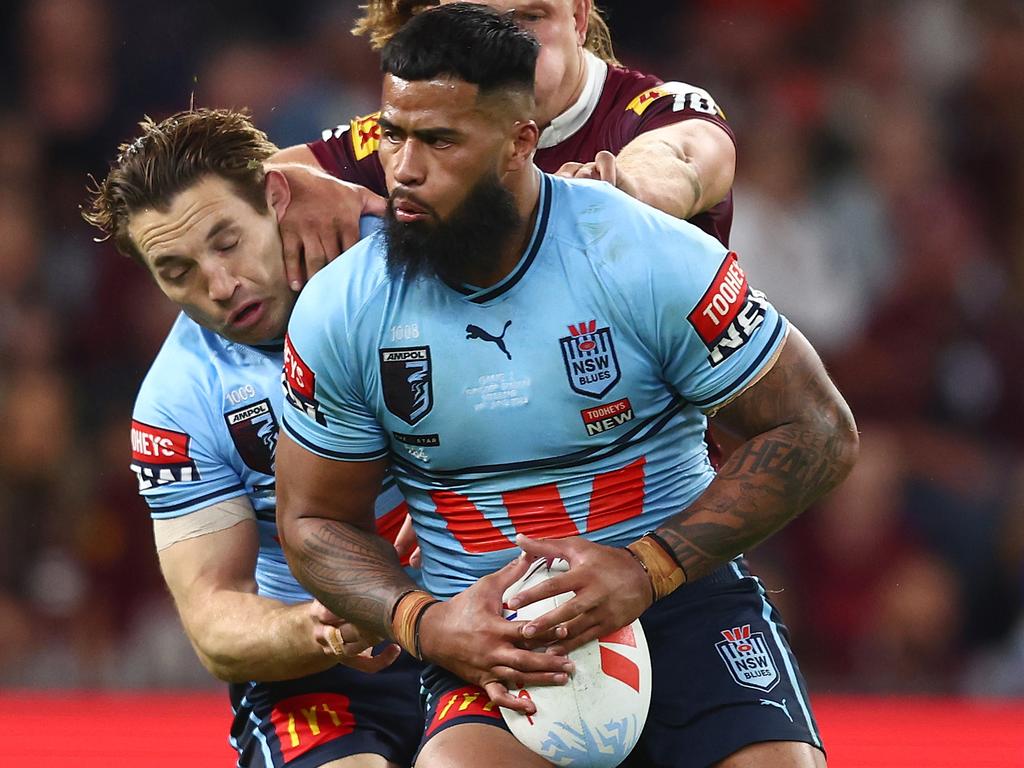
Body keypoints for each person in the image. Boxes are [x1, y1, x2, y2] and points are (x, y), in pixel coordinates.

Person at [276, 5, 858, 768]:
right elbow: (315, 518)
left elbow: (820, 430)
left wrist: (648, 568)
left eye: (441, 141)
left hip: (683, 599)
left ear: (522, 143)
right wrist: (424, 622)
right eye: (393, 134)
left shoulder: (640, 253)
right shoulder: (341, 307)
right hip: (490, 628)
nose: (404, 169)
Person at [82, 108, 422, 768]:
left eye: (227, 241)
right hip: (324, 671)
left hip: (490, 609)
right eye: (176, 271)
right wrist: (320, 629)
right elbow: (214, 617)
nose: (217, 284)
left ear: (276, 197)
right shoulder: (175, 404)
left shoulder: (413, 262)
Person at [271, 0, 736, 289]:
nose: (510, 42)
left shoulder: (655, 107)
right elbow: (224, 196)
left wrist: (625, 188)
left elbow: (684, 156)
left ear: (578, 16)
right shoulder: (412, 133)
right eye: (480, 20)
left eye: (532, 17)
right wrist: (296, 184)